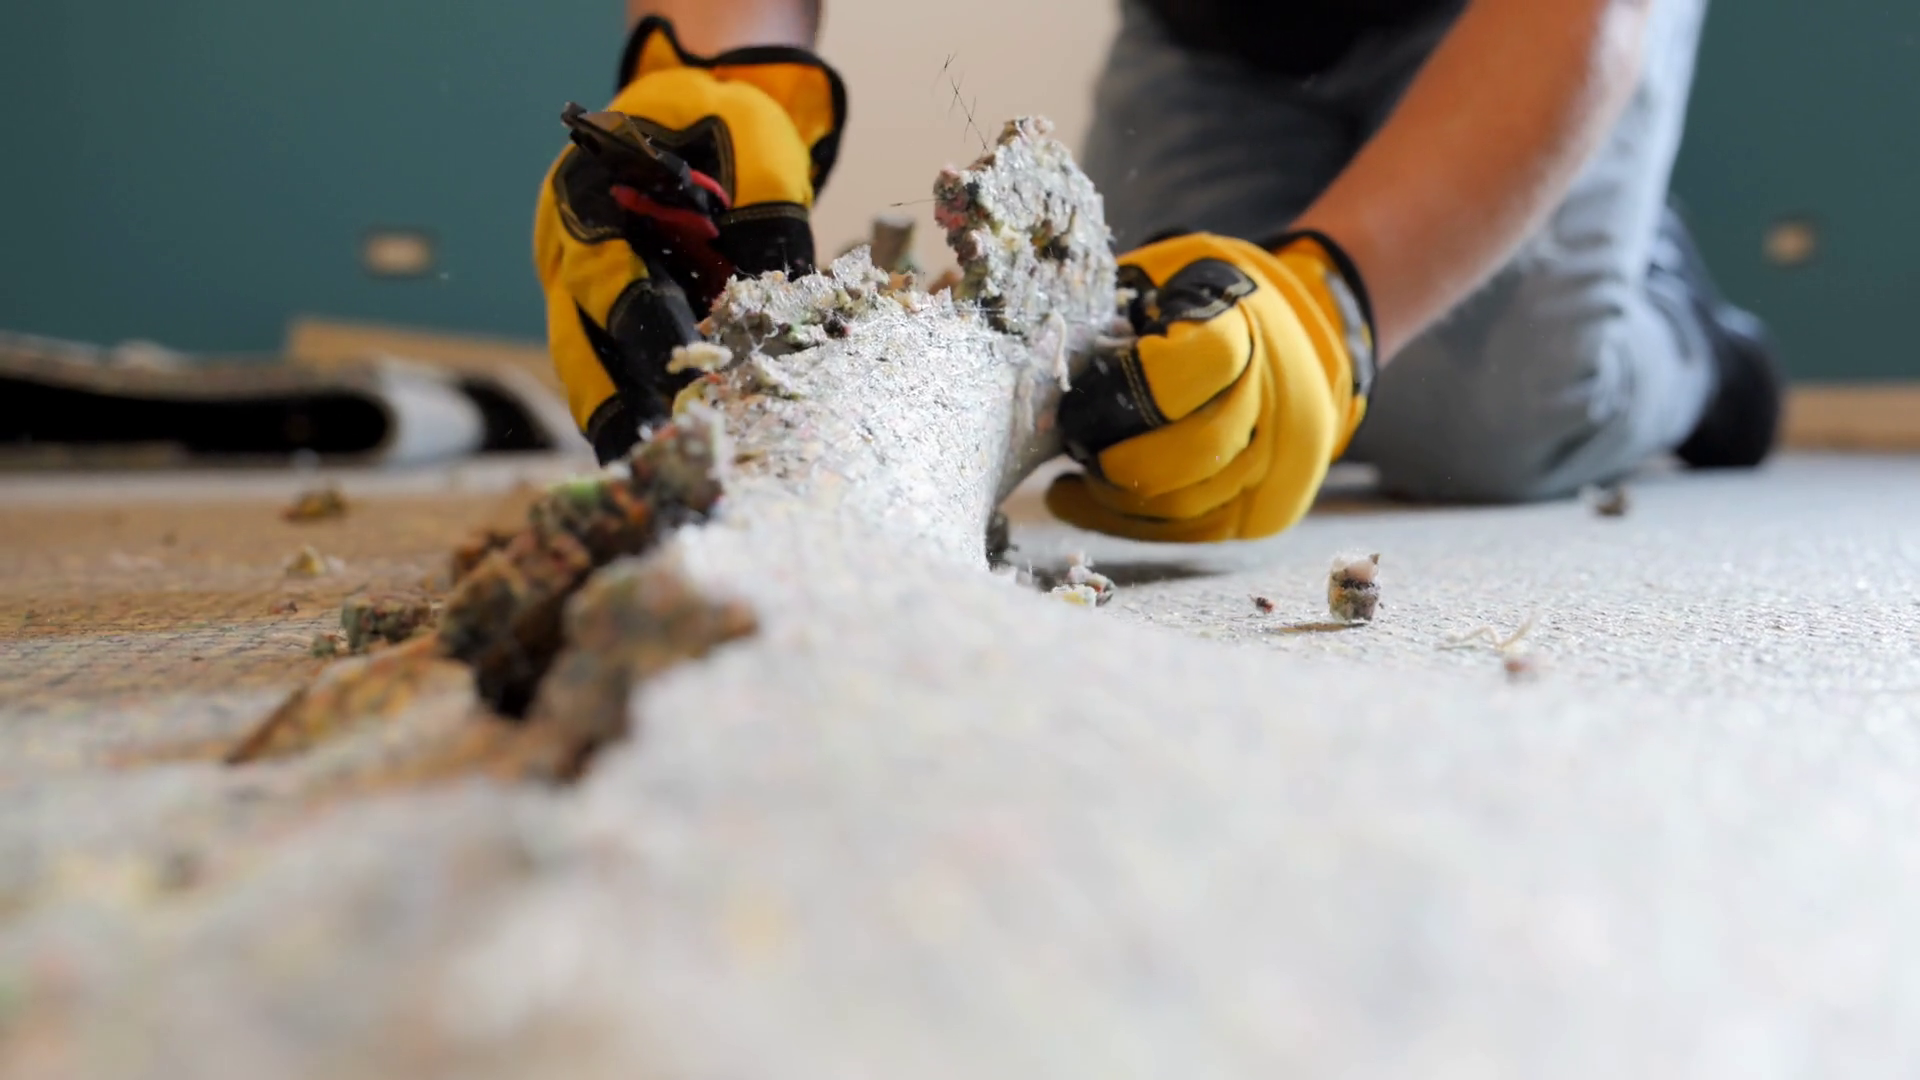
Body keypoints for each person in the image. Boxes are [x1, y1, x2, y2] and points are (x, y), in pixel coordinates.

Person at [535, 0, 1781, 543]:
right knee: (1154, 383)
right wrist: (713, 82)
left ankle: (1688, 337)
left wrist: (1332, 310)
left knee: (1483, 417)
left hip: (1509, 23)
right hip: (1218, 41)